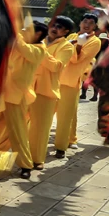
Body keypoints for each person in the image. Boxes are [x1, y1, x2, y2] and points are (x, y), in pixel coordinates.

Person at [0, 21, 47, 178]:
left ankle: (26, 165)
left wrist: (13, 28)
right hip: (4, 92)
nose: (23, 31)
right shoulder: (22, 44)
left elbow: (22, 48)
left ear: (37, 34)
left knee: (18, 133)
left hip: (17, 97)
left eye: (27, 29)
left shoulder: (39, 50)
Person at [29, 16, 74, 170]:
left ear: (66, 31)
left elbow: (56, 66)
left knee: (40, 127)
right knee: (17, 123)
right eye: (54, 25)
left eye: (60, 27)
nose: (54, 28)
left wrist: (40, 50)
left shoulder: (67, 47)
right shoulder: (39, 40)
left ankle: (37, 159)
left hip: (46, 90)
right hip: (27, 86)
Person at [54, 13, 101, 157]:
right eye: (85, 21)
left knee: (66, 115)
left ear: (95, 26)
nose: (87, 25)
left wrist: (78, 45)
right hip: (55, 78)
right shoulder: (71, 36)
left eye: (91, 23)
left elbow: (76, 59)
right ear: (80, 23)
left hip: (71, 81)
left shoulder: (95, 41)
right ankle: (68, 138)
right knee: (61, 112)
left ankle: (64, 143)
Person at [80, 32, 109, 101]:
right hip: (91, 63)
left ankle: (95, 96)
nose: (102, 40)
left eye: (103, 39)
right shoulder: (96, 45)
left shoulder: (107, 48)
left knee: (96, 81)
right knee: (85, 79)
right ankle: (83, 94)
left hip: (100, 66)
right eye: (101, 39)